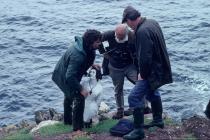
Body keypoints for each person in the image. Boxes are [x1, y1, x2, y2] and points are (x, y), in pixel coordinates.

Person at [121, 6, 173, 140]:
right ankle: (158, 120)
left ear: (129, 20)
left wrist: (142, 74)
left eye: (126, 23)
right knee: (152, 91)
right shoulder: (152, 22)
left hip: (151, 70)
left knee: (133, 97)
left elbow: (145, 56)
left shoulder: (142, 31)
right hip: (160, 66)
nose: (128, 27)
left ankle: (138, 132)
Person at [52, 29, 102, 132]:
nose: (99, 44)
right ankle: (77, 129)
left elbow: (86, 57)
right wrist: (81, 89)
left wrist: (91, 64)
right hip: (64, 76)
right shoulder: (77, 55)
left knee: (69, 95)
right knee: (79, 97)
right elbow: (69, 77)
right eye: (97, 42)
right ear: (90, 42)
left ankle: (68, 121)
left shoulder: (86, 47)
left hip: (68, 73)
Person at [100, 24, 150, 119]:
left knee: (140, 84)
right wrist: (105, 53)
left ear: (126, 33)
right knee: (118, 89)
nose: (118, 38)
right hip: (115, 67)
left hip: (129, 66)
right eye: (117, 36)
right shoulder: (107, 35)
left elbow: (140, 51)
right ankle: (120, 110)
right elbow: (99, 43)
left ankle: (145, 106)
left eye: (121, 36)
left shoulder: (133, 37)